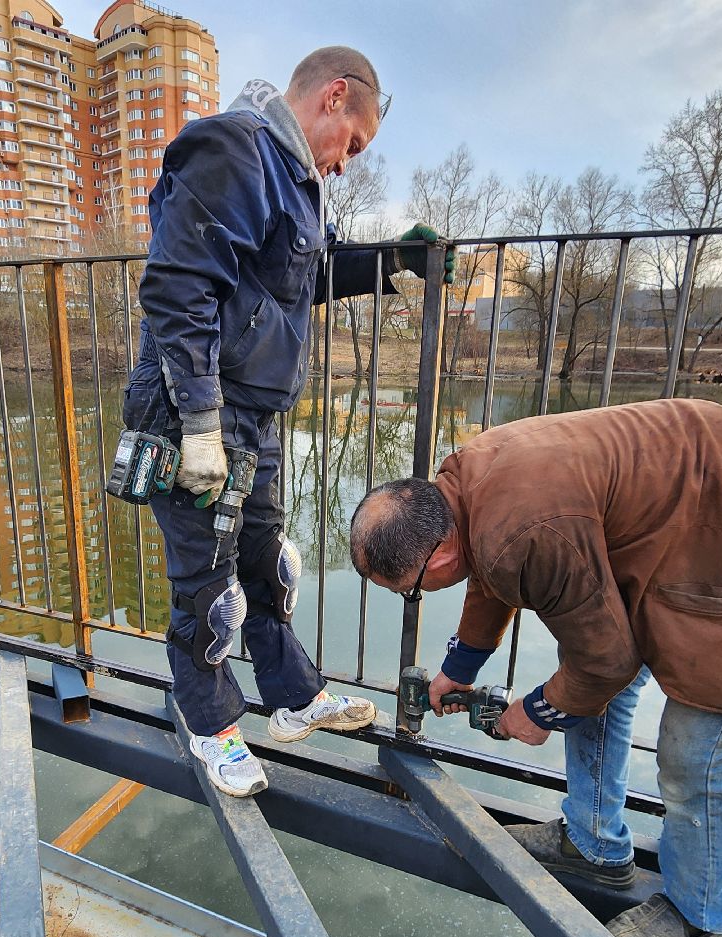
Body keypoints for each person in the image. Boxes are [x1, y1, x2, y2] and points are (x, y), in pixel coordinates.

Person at [349, 399, 722, 937]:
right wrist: (459, 669)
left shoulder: (520, 528)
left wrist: (537, 713)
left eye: (411, 590)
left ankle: (704, 921)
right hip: (705, 515)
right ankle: (594, 842)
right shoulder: (463, 489)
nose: (415, 597)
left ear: (439, 552)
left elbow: (605, 663)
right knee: (590, 687)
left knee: (699, 747)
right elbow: (493, 575)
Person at [123, 46, 455, 798]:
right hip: (196, 411)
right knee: (205, 585)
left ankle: (291, 699)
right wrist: (199, 424)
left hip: (255, 413)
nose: (346, 164)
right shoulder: (234, 147)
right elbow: (178, 290)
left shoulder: (295, 178)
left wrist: (393, 259)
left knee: (266, 564)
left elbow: (305, 280)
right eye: (355, 143)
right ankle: (210, 727)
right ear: (333, 98)